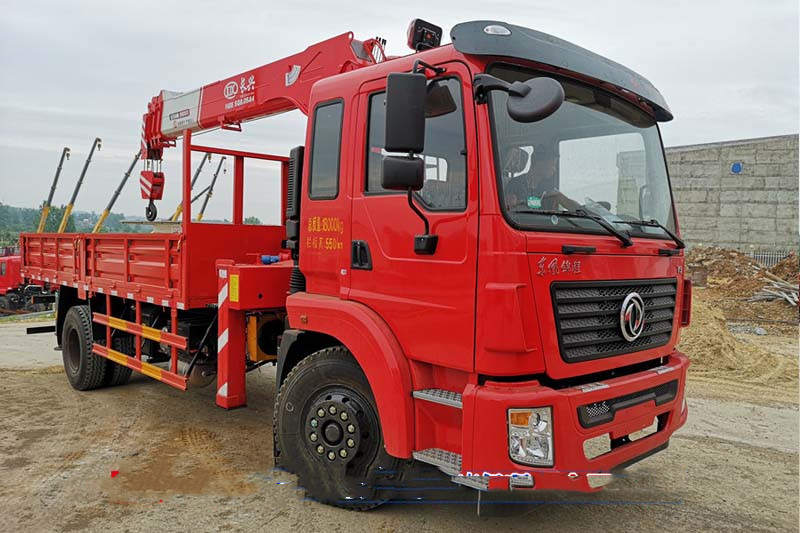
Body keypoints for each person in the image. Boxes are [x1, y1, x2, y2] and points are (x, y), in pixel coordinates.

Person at [504, 145, 580, 212]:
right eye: (553, 165)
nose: (554, 169)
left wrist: (583, 210)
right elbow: (511, 210)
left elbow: (567, 202)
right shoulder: (515, 184)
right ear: (539, 163)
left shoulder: (546, 187)